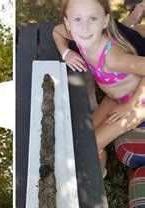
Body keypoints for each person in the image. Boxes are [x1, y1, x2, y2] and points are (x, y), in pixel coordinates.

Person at [52, 0, 145, 178]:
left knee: (89, 147)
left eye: (93, 18)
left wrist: (130, 105)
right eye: (77, 19)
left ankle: (96, 179)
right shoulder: (78, 37)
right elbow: (56, 31)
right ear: (68, 23)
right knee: (82, 137)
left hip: (137, 105)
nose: (85, 28)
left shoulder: (112, 57)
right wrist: (66, 53)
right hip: (115, 97)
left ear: (104, 21)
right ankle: (98, 169)